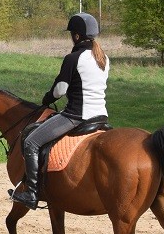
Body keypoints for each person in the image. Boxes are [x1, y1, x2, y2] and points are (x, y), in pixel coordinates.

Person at [9, 12, 110, 208]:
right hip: (101, 116)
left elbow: (60, 90)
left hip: (76, 116)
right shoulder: (103, 58)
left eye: (72, 34)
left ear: (77, 36)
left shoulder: (73, 58)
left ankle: (31, 193)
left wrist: (47, 99)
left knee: (31, 141)